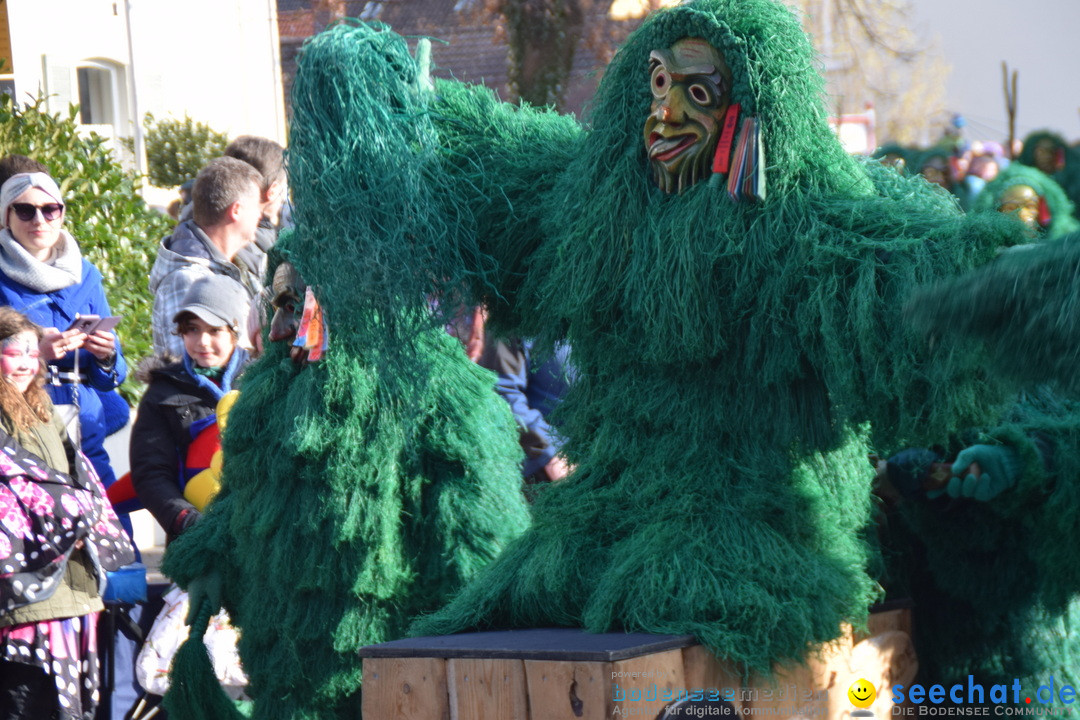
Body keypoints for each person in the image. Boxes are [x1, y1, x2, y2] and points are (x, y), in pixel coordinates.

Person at [0, 307, 135, 720]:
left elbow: (82, 480)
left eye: (30, 351)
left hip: (74, 590)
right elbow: (18, 490)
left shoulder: (44, 409)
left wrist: (86, 515)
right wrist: (74, 514)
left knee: (72, 709)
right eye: (11, 352)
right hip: (21, 600)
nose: (24, 362)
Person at [0, 172, 127, 500]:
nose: (39, 219)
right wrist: (34, 354)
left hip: (86, 434)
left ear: (62, 213)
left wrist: (106, 355)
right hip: (21, 439)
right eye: (25, 210)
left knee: (114, 541)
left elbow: (113, 376)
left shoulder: (86, 274)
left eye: (50, 209)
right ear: (6, 216)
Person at [132, 275, 249, 542]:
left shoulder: (261, 381)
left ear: (235, 330)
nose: (202, 342)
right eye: (192, 330)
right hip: (194, 538)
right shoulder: (163, 391)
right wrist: (186, 520)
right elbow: (151, 472)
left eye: (215, 330)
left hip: (262, 532)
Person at [149, 157, 263, 357]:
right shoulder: (186, 280)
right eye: (257, 207)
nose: (260, 216)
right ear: (236, 210)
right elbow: (192, 375)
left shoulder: (238, 268)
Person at [224, 135, 287, 283]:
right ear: (273, 191)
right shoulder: (246, 248)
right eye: (284, 187)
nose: (284, 198)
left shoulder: (212, 230)